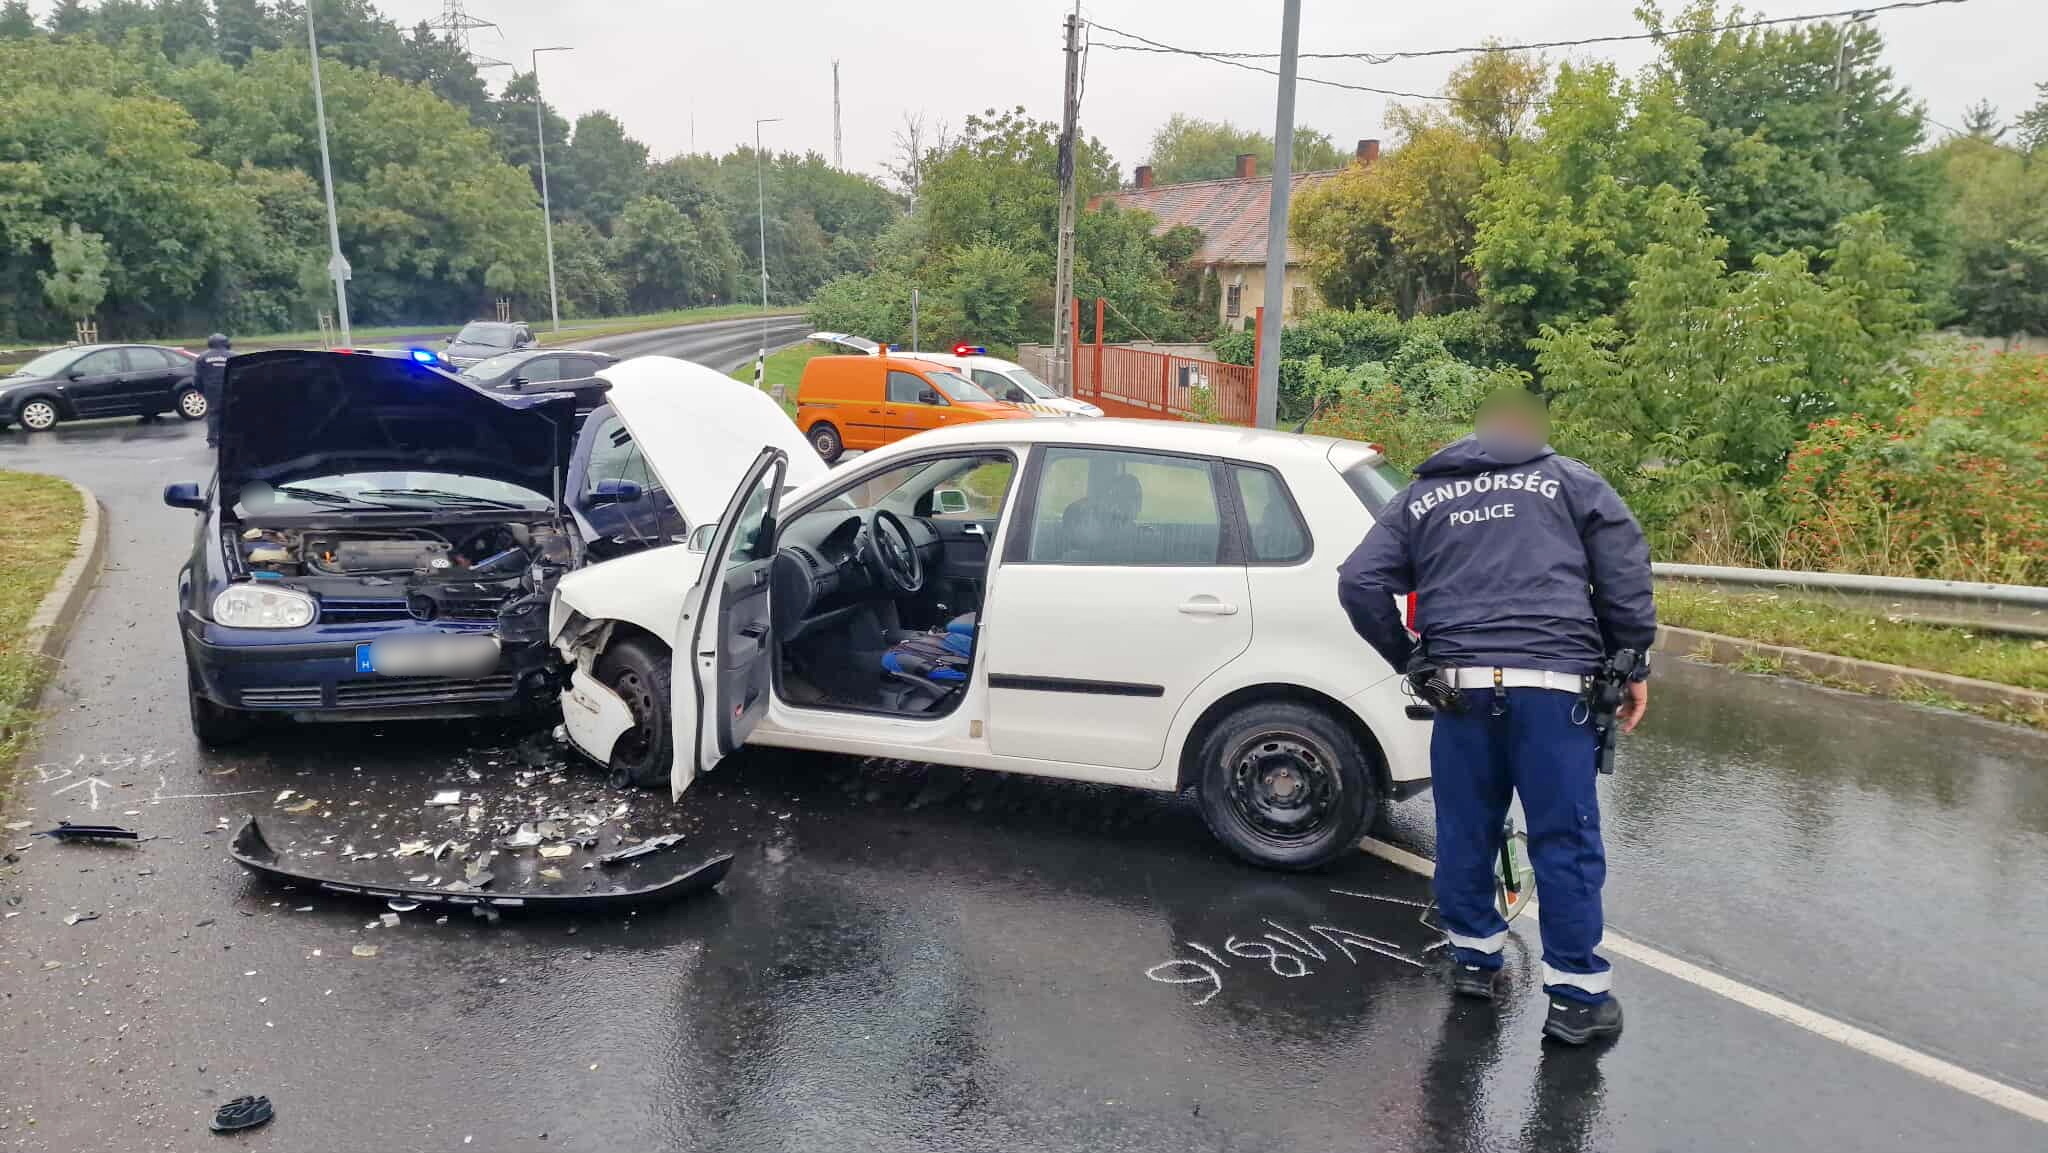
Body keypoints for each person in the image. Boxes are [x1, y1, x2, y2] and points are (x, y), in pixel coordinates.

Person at [1336, 388, 1655, 1046]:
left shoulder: (1420, 498)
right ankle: (1576, 1000)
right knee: (1564, 841)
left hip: (1461, 690)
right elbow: (1624, 568)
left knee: (1465, 831)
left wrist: (1411, 657)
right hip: (1553, 691)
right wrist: (1632, 664)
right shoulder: (1570, 481)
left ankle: (1474, 964)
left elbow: (1359, 581)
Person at [197, 333, 230, 448]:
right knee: (230, 413)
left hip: (211, 390)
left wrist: (199, 390)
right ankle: (229, 437)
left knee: (213, 413)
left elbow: (198, 377)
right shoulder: (233, 355)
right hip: (230, 388)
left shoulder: (202, 357)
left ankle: (212, 440)